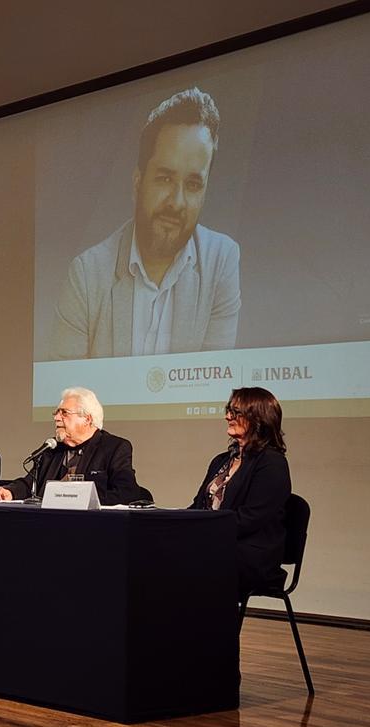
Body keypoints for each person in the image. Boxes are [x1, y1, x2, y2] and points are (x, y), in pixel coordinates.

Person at [49, 87, 240, 360]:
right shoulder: (87, 276)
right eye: (165, 178)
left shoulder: (221, 261)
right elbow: (64, 388)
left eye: (193, 184)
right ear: (138, 182)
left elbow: (215, 382)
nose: (177, 202)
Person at [189, 387, 291, 599]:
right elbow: (199, 506)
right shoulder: (221, 461)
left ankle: (212, 631)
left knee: (188, 562)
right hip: (216, 544)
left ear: (258, 418)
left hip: (251, 554)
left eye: (235, 412)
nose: (228, 417)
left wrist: (203, 533)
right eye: (228, 410)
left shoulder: (272, 463)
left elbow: (251, 519)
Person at [0, 387, 145, 506]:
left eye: (64, 413)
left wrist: (78, 499)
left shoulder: (114, 448)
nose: (56, 418)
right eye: (56, 413)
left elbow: (127, 492)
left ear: (87, 419)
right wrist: (10, 492)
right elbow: (31, 483)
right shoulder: (52, 449)